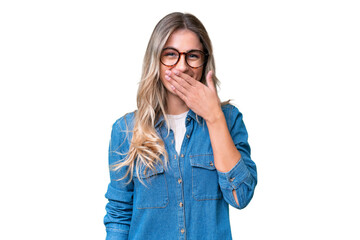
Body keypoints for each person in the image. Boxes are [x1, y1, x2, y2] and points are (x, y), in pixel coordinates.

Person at [103, 12, 257, 240]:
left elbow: (240, 197)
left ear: (205, 62)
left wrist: (214, 117)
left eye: (192, 56)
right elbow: (119, 215)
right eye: (171, 55)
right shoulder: (126, 130)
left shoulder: (228, 119)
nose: (182, 66)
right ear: (156, 59)